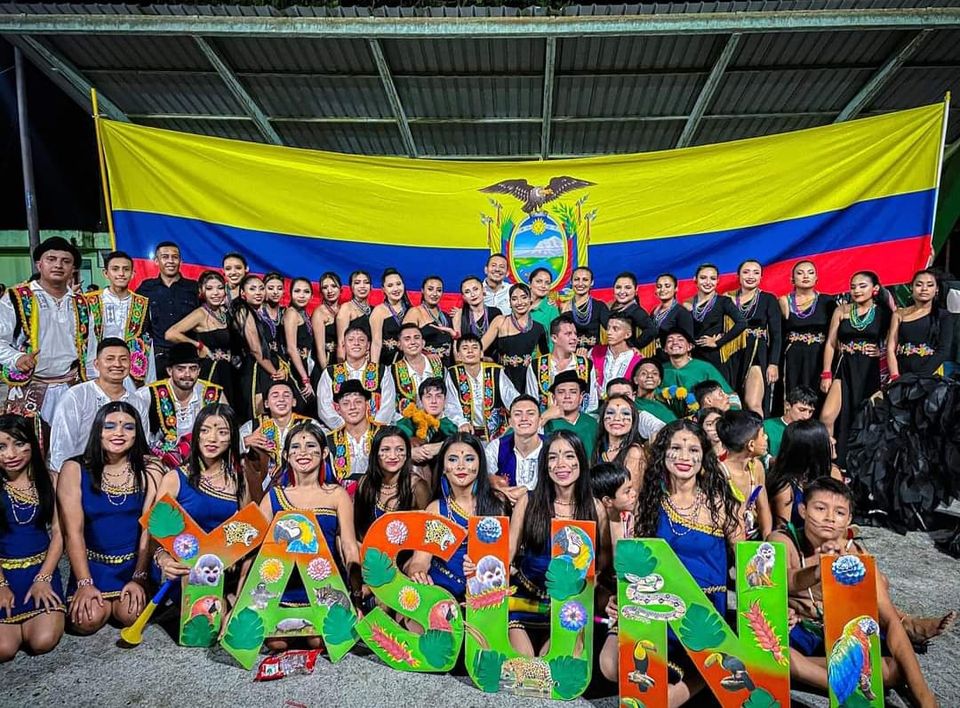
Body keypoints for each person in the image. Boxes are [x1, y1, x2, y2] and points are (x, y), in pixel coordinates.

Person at [769, 477, 938, 707]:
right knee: (770, 649)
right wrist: (818, 571)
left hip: (839, 635)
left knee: (896, 669)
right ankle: (841, 683)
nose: (830, 518)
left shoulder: (856, 554)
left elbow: (889, 618)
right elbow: (786, 579)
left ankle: (802, 670)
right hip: (798, 632)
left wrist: (925, 697)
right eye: (820, 508)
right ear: (803, 510)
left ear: (848, 519)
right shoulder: (782, 540)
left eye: (839, 512)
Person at [621, 420, 740, 703]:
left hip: (706, 613)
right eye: (676, 448)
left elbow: (747, 565)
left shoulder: (721, 504)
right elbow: (635, 563)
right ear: (663, 454)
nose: (684, 457)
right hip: (660, 610)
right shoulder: (648, 504)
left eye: (693, 450)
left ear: (704, 457)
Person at [57, 402, 162, 634]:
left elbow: (150, 529)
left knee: (130, 615)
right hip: (92, 565)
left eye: (128, 427)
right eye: (110, 426)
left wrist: (140, 576)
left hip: (134, 564)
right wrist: (84, 582)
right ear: (98, 430)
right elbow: (72, 532)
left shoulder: (150, 469)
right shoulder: (74, 469)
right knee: (86, 621)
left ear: (137, 433)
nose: (119, 433)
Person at [256, 421, 360, 650]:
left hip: (325, 587)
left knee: (319, 640)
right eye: (295, 447)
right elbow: (253, 547)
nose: (303, 452)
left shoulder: (337, 495)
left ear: (324, 453)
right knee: (277, 642)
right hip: (284, 587)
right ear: (286, 455)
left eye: (311, 446)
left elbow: (349, 546)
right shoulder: (274, 496)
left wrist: (355, 597)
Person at [507, 430, 605, 656]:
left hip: (570, 606)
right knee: (525, 667)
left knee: (553, 669)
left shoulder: (596, 507)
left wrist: (588, 586)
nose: (561, 464)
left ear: (581, 461)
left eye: (569, 456)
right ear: (545, 464)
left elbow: (603, 564)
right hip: (525, 600)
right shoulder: (528, 501)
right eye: (553, 457)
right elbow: (507, 552)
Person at [406, 433, 508, 603]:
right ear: (444, 467)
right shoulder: (437, 510)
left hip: (484, 595)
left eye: (469, 459)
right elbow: (420, 561)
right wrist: (418, 574)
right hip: (440, 592)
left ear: (480, 464)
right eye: (452, 459)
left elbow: (503, 559)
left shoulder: (497, 505)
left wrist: (479, 568)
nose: (461, 466)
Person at [153, 404, 249, 586]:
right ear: (196, 434)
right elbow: (155, 531)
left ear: (232, 438)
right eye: (205, 430)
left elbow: (247, 529)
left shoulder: (239, 479)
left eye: (222, 432)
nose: (212, 438)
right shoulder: (175, 478)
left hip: (222, 573)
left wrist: (234, 554)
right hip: (180, 572)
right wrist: (163, 559)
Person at [0, 237, 92, 425]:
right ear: (39, 264)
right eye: (51, 259)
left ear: (73, 269)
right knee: (27, 441)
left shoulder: (81, 302)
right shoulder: (16, 297)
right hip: (28, 386)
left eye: (65, 261)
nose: (58, 265)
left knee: (72, 440)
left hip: (72, 386)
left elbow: (91, 350)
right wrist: (16, 358)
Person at [0, 415, 64, 660]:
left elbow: (59, 533)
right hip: (3, 574)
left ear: (33, 444)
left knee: (42, 641)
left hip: (42, 568)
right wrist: (1, 586)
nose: (11, 454)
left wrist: (44, 578)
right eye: (1, 447)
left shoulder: (51, 480)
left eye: (19, 443)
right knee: (4, 648)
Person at [820, 271, 891, 467]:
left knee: (865, 418)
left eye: (862, 286)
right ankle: (830, 463)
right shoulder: (841, 310)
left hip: (870, 371)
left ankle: (861, 465)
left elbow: (894, 342)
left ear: (875, 289)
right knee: (827, 416)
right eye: (853, 287)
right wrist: (826, 372)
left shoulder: (884, 313)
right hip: (844, 367)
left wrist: (881, 351)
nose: (856, 290)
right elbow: (831, 343)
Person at [48, 339, 150, 474]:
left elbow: (141, 447)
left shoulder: (137, 403)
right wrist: (65, 478)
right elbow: (61, 447)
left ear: (130, 364)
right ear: (96, 364)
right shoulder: (77, 396)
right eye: (110, 359)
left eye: (123, 359)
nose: (117, 364)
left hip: (124, 476)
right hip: (81, 474)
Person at [134, 343, 225, 467]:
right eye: (181, 369)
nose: (187, 374)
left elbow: (227, 429)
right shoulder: (147, 394)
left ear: (199, 371)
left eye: (193, 369)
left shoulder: (213, 393)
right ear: (169, 371)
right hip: (159, 465)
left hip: (202, 463)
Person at [164, 270, 237, 406]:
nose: (215, 293)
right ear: (201, 291)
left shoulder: (225, 312)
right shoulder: (200, 314)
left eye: (220, 288)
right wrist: (198, 345)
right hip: (212, 372)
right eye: (209, 289)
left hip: (228, 371)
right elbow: (170, 334)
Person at [85, 250, 155, 390]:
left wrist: (149, 381)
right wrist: (90, 374)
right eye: (115, 269)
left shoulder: (142, 303)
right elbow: (88, 341)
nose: (121, 273)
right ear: (106, 273)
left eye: (126, 269)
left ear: (133, 274)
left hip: (132, 374)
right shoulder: (91, 301)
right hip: (99, 371)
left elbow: (147, 343)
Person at [353, 427, 430, 541]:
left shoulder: (417, 487)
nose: (393, 456)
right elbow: (358, 528)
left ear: (407, 454)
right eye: (385, 450)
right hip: (369, 549)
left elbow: (428, 534)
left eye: (400, 450)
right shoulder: (365, 483)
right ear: (376, 453)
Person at [726, 260, 782, 415]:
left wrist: (774, 363)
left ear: (761, 277)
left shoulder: (768, 299)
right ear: (738, 276)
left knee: (753, 403)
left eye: (756, 273)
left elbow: (777, 334)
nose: (751, 276)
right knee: (733, 402)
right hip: (732, 354)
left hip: (756, 352)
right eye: (746, 272)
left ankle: (759, 430)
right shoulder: (727, 298)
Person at [316, 323, 395, 430]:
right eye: (351, 340)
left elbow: (388, 406)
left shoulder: (382, 371)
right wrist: (346, 429)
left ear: (368, 345)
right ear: (343, 345)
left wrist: (373, 429)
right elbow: (324, 408)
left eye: (361, 340)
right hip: (340, 432)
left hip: (376, 432)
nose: (356, 343)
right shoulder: (330, 373)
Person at [240, 380, 311, 498]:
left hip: (301, 489)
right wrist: (245, 442)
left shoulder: (308, 425)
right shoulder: (253, 426)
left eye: (286, 395)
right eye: (275, 395)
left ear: (294, 402)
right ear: (266, 403)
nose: (281, 399)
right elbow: (228, 449)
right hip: (260, 492)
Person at [778, 260, 834, 408]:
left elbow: (835, 334)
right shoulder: (784, 301)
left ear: (816, 278)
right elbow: (777, 333)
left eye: (810, 273)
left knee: (817, 396)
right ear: (792, 279)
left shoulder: (827, 301)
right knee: (793, 395)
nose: (805, 276)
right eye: (800, 273)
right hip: (792, 357)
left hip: (819, 356)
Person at [232, 274, 288, 422]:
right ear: (243, 293)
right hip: (253, 371)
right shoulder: (243, 311)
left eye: (261, 288)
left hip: (264, 368)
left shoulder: (257, 312)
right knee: (258, 416)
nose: (258, 292)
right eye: (252, 289)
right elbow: (256, 350)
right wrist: (275, 373)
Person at [767, 419, 841, 529]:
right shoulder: (785, 489)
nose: (833, 441)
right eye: (826, 439)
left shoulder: (833, 473)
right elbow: (783, 530)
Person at [138, 241, 198, 373]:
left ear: (181, 261)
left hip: (188, 357)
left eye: (175, 257)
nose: (170, 261)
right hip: (157, 357)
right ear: (156, 261)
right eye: (165, 257)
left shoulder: (194, 288)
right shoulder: (146, 288)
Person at [447, 334, 519, 442]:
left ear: (481, 353)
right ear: (459, 355)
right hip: (468, 436)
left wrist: (517, 415)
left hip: (498, 435)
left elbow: (511, 397)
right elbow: (451, 405)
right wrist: (461, 422)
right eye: (465, 348)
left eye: (474, 347)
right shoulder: (453, 374)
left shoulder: (496, 371)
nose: (470, 351)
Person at [685, 263, 747, 384]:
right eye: (703, 278)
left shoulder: (723, 301)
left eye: (712, 278)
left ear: (718, 281)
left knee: (716, 391)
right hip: (692, 357)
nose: (708, 282)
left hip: (714, 357)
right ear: (695, 279)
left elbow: (742, 323)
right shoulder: (687, 304)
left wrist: (718, 342)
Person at [397, 377, 464, 487]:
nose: (433, 401)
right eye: (428, 397)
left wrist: (440, 447)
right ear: (421, 400)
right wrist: (409, 453)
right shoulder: (408, 422)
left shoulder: (452, 426)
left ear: (445, 400)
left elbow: (463, 446)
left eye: (438, 396)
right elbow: (392, 444)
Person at [887, 269, 955, 378]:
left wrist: (920, 376)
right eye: (919, 284)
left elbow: (944, 351)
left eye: (930, 285)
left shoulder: (943, 316)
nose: (924, 289)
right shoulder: (898, 314)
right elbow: (891, 348)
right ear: (911, 287)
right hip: (902, 373)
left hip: (930, 375)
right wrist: (895, 376)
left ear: (937, 289)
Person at [716, 410, 771, 540]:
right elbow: (731, 525)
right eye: (762, 435)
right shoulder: (719, 473)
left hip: (753, 535)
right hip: (727, 539)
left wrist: (767, 541)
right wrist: (743, 551)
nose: (766, 438)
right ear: (751, 445)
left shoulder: (756, 467)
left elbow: (763, 508)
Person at [526, 313, 598, 413]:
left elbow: (592, 405)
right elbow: (531, 404)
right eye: (568, 334)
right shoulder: (536, 366)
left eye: (575, 334)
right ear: (554, 338)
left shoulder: (586, 365)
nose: (574, 338)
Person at [484, 283, 548, 393]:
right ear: (509, 302)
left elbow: (546, 358)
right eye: (514, 299)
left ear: (530, 300)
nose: (519, 302)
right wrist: (489, 360)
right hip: (503, 378)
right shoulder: (500, 321)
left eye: (524, 297)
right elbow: (479, 348)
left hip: (528, 379)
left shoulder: (539, 328)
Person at [389, 324, 459, 421]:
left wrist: (459, 422)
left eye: (416, 338)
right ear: (399, 345)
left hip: (439, 424)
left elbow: (451, 402)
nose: (413, 342)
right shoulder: (392, 371)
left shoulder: (439, 367)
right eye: (407, 339)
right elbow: (390, 408)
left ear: (423, 343)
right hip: (407, 425)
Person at [661, 327, 737, 416]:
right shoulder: (659, 371)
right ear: (665, 349)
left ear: (690, 346)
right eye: (670, 340)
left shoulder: (705, 368)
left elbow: (729, 394)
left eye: (680, 339)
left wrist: (734, 416)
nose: (675, 342)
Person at [485, 395, 544, 504]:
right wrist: (499, 488)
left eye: (530, 413)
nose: (524, 418)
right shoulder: (496, 447)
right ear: (510, 422)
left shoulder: (553, 446)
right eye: (517, 414)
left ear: (540, 421)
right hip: (506, 508)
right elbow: (483, 476)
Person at [325, 380, 382, 490]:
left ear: (367, 404)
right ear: (338, 409)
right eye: (346, 403)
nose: (352, 407)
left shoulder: (384, 433)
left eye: (358, 402)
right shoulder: (329, 440)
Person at [595, 395, 650, 493]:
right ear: (602, 418)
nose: (617, 418)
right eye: (610, 412)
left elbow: (631, 495)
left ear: (633, 421)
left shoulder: (634, 453)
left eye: (625, 413)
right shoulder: (599, 448)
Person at [540, 370, 599, 461]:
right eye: (561, 392)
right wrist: (544, 417)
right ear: (553, 398)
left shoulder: (592, 423)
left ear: (581, 397)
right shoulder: (546, 422)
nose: (567, 396)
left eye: (573, 392)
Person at [281, 277, 318, 409]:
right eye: (297, 291)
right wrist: (305, 379)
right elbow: (291, 348)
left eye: (306, 292)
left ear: (312, 295)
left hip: (305, 366)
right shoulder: (291, 313)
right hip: (295, 370)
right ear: (290, 293)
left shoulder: (303, 313)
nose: (301, 295)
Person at [404, 276, 457, 367]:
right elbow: (405, 341)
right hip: (423, 367)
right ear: (422, 291)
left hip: (446, 367)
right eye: (430, 289)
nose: (435, 293)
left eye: (439, 290)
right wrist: (425, 354)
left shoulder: (446, 316)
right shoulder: (415, 312)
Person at [451, 276, 503, 360]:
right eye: (467, 292)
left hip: (492, 362)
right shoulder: (459, 315)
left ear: (483, 290)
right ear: (463, 297)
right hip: (467, 362)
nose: (473, 294)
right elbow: (456, 346)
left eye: (475, 289)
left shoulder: (495, 313)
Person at [369, 268, 411, 367]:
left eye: (398, 284)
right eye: (390, 285)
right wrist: (374, 369)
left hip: (410, 363)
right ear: (383, 289)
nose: (396, 289)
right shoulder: (379, 311)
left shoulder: (412, 310)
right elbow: (376, 343)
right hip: (387, 363)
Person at [560, 266, 609, 353]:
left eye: (585, 280)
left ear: (592, 283)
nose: (580, 283)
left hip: (593, 354)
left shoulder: (599, 306)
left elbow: (613, 329)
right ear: (571, 282)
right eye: (576, 279)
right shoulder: (563, 306)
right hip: (568, 354)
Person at [609, 272, 658, 356]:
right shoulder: (613, 309)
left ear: (636, 290)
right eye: (618, 287)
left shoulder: (636, 311)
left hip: (627, 358)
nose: (622, 291)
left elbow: (652, 330)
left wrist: (633, 346)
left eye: (627, 288)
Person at [590, 312, 642, 391]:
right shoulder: (595, 352)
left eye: (615, 329)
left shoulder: (637, 361)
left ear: (628, 334)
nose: (609, 332)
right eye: (608, 328)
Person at [763, 385, 817, 458]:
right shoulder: (767, 426)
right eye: (802, 410)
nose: (806, 416)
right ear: (787, 405)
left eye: (810, 412)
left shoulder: (813, 432)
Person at [334, 270, 372, 362]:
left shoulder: (374, 310)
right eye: (357, 283)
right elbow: (341, 343)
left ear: (371, 287)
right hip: (352, 363)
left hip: (371, 362)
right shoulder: (346, 308)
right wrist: (342, 367)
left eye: (366, 282)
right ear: (351, 287)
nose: (362, 286)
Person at [650, 272, 695, 344]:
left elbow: (689, 340)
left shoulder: (682, 312)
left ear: (675, 289)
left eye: (667, 286)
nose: (662, 289)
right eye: (659, 286)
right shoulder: (655, 311)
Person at [631, 358, 678, 424]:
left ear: (659, 381)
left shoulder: (668, 401)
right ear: (635, 380)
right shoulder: (630, 402)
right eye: (644, 373)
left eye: (655, 373)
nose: (650, 376)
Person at [310, 271, 341, 370]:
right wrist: (326, 373)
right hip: (326, 362)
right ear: (321, 291)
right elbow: (320, 349)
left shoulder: (344, 309)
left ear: (340, 288)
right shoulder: (319, 313)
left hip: (344, 362)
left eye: (333, 286)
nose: (330, 290)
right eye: (325, 287)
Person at [527, 268, 559, 351]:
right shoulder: (520, 304)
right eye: (539, 281)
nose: (543, 286)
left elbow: (554, 339)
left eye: (547, 283)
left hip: (540, 356)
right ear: (529, 283)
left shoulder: (552, 309)